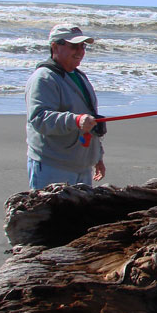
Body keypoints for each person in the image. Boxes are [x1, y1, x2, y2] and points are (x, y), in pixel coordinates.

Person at [24, 23, 106, 189]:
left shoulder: (79, 77)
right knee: (52, 215)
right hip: (52, 165)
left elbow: (89, 118)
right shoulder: (44, 78)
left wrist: (97, 155)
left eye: (82, 46)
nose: (80, 51)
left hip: (81, 166)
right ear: (55, 46)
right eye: (73, 46)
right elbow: (39, 118)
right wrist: (76, 120)